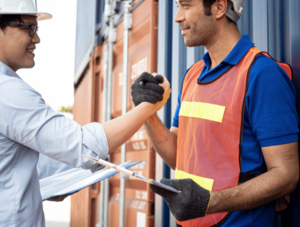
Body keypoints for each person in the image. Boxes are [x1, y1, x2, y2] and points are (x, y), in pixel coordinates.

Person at [0, 1, 171, 226]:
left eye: (37, 29)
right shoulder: (7, 92)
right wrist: (150, 105)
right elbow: (85, 146)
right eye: (29, 29)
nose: (37, 39)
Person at [131, 0, 299, 226]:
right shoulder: (193, 75)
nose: (178, 17)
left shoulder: (261, 74)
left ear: (219, 7)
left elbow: (286, 174)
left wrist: (210, 202)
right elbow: (177, 156)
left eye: (186, 5)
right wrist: (147, 113)